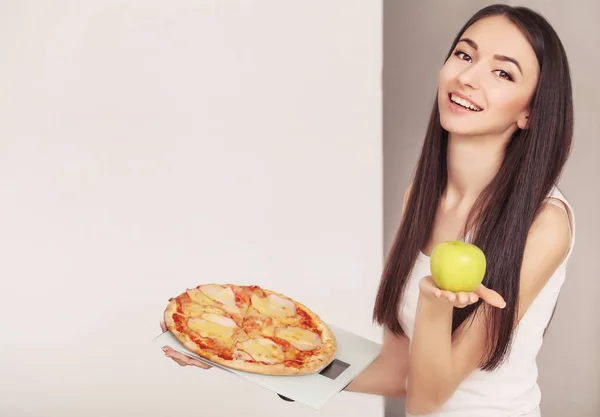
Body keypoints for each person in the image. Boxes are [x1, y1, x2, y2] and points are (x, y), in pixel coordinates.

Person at [161, 4, 575, 416]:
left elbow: (428, 398)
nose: (467, 77)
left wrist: (434, 302)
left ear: (530, 112)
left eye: (502, 73)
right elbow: (398, 372)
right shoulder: (420, 198)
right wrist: (246, 353)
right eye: (464, 55)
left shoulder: (545, 223)